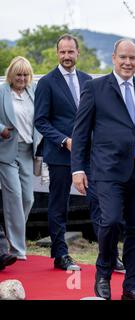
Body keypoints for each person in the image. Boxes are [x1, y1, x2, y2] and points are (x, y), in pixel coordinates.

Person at [71, 39, 135, 300]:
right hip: (107, 171)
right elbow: (81, 133)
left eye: (132, 58)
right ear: (114, 59)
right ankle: (103, 273)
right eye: (123, 58)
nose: (128, 62)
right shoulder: (94, 88)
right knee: (112, 222)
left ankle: (132, 286)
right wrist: (77, 169)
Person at [34, 34, 92, 271]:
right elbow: (41, 121)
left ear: (78, 53)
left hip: (88, 154)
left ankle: (109, 254)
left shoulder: (89, 81)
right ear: (57, 53)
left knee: (99, 201)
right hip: (59, 154)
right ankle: (60, 254)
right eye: (62, 52)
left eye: (71, 52)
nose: (67, 56)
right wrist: (64, 141)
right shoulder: (47, 82)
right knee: (59, 204)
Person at [0, 56, 42, 260]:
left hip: (28, 152)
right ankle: (17, 249)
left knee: (28, 198)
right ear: (11, 74)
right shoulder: (2, 92)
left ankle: (11, 238)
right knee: (14, 198)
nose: (22, 78)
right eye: (19, 74)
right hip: (6, 152)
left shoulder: (33, 92)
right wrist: (1, 130)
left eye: (26, 75)